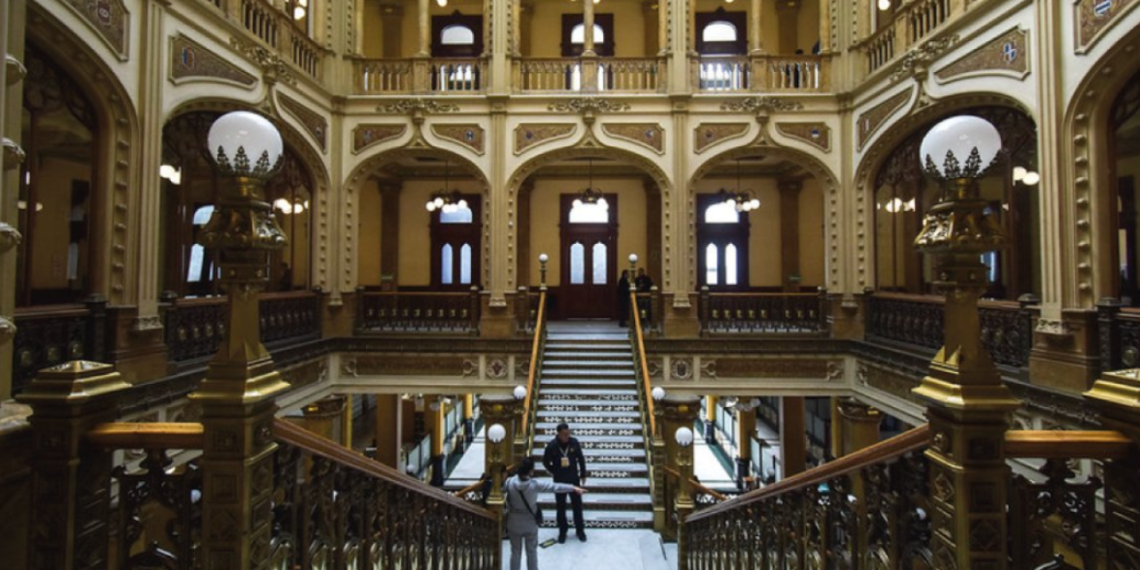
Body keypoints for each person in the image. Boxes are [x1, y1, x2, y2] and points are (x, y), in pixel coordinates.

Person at [505, 457, 587, 570]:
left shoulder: (510, 482)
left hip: (513, 522)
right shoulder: (534, 485)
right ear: (530, 471)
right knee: (532, 552)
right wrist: (573, 488)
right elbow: (555, 487)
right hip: (530, 522)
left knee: (515, 552)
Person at [542, 423, 589, 543]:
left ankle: (580, 530)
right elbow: (545, 461)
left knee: (577, 506)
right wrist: (554, 471)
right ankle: (563, 531)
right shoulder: (552, 446)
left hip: (574, 479)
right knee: (560, 507)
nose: (567, 436)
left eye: (568, 433)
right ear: (558, 434)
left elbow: (581, 458)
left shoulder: (574, 442)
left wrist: (583, 473)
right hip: (559, 480)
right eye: (564, 434)